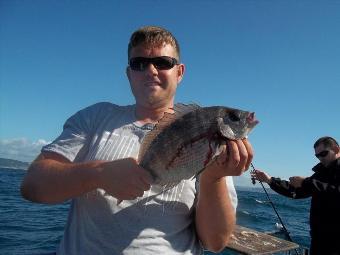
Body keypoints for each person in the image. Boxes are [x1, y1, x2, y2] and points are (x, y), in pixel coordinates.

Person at [20, 26, 254, 255]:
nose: (151, 70)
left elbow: (215, 242)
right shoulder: (96, 117)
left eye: (163, 63)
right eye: (139, 64)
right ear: (129, 73)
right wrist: (98, 173)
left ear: (179, 72)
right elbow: (32, 186)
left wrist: (213, 178)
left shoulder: (216, 151)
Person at [252, 136, 340, 255]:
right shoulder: (321, 174)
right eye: (317, 156)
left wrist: (306, 183)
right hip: (320, 241)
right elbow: (296, 191)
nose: (320, 158)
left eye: (323, 154)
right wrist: (270, 181)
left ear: (336, 149)